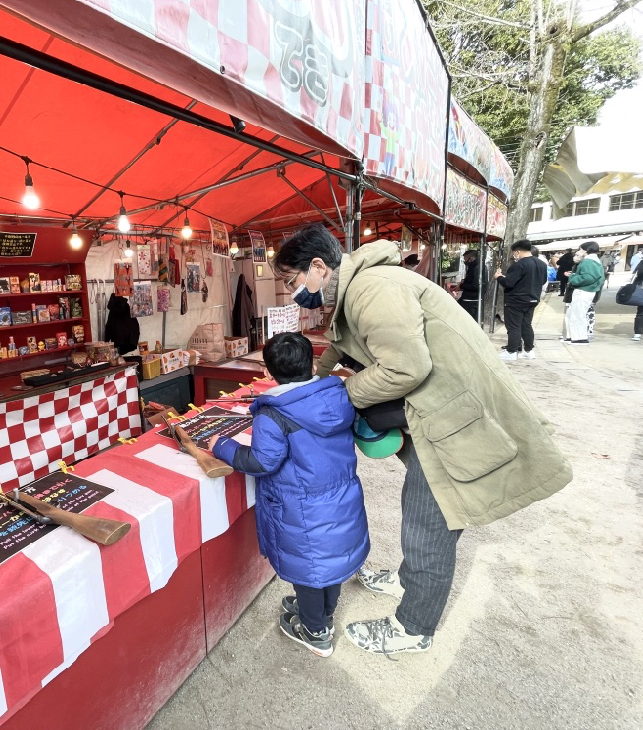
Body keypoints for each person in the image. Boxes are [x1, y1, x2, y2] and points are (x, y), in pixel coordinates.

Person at [271, 225, 572, 655]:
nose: (291, 291)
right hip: (438, 416)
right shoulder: (361, 288)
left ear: (318, 267)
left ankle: (413, 627)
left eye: (291, 281)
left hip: (450, 419)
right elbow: (339, 348)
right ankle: (408, 581)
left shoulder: (371, 289)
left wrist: (336, 398)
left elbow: (406, 367)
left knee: (428, 524)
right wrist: (308, 388)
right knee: (428, 515)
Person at [207, 332, 369, 658]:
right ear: (311, 364)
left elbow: (261, 462)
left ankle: (316, 631)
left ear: (267, 373)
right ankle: (323, 613)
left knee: (308, 569)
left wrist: (222, 446)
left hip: (301, 509)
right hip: (341, 499)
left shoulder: (273, 415)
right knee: (329, 562)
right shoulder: (337, 396)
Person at [494, 240, 542, 361]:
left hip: (516, 300)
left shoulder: (518, 265)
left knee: (514, 326)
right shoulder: (541, 264)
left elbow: (509, 283)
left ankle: (511, 351)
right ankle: (529, 350)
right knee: (526, 325)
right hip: (533, 298)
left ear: (517, 251)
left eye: (514, 253)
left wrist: (499, 277)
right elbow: (542, 280)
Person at [562, 241, 604, 345]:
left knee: (578, 315)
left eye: (580, 249)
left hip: (583, 290)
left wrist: (572, 277)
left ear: (586, 250)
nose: (579, 252)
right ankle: (573, 336)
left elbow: (588, 277)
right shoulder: (594, 260)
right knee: (575, 313)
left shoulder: (588, 261)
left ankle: (579, 338)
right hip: (587, 290)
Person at [457, 249, 484, 322]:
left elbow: (475, 285)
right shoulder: (475, 267)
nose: (465, 261)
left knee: (468, 319)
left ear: (471, 258)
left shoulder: (476, 268)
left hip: (471, 299)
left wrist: (462, 286)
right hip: (470, 297)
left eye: (465, 259)